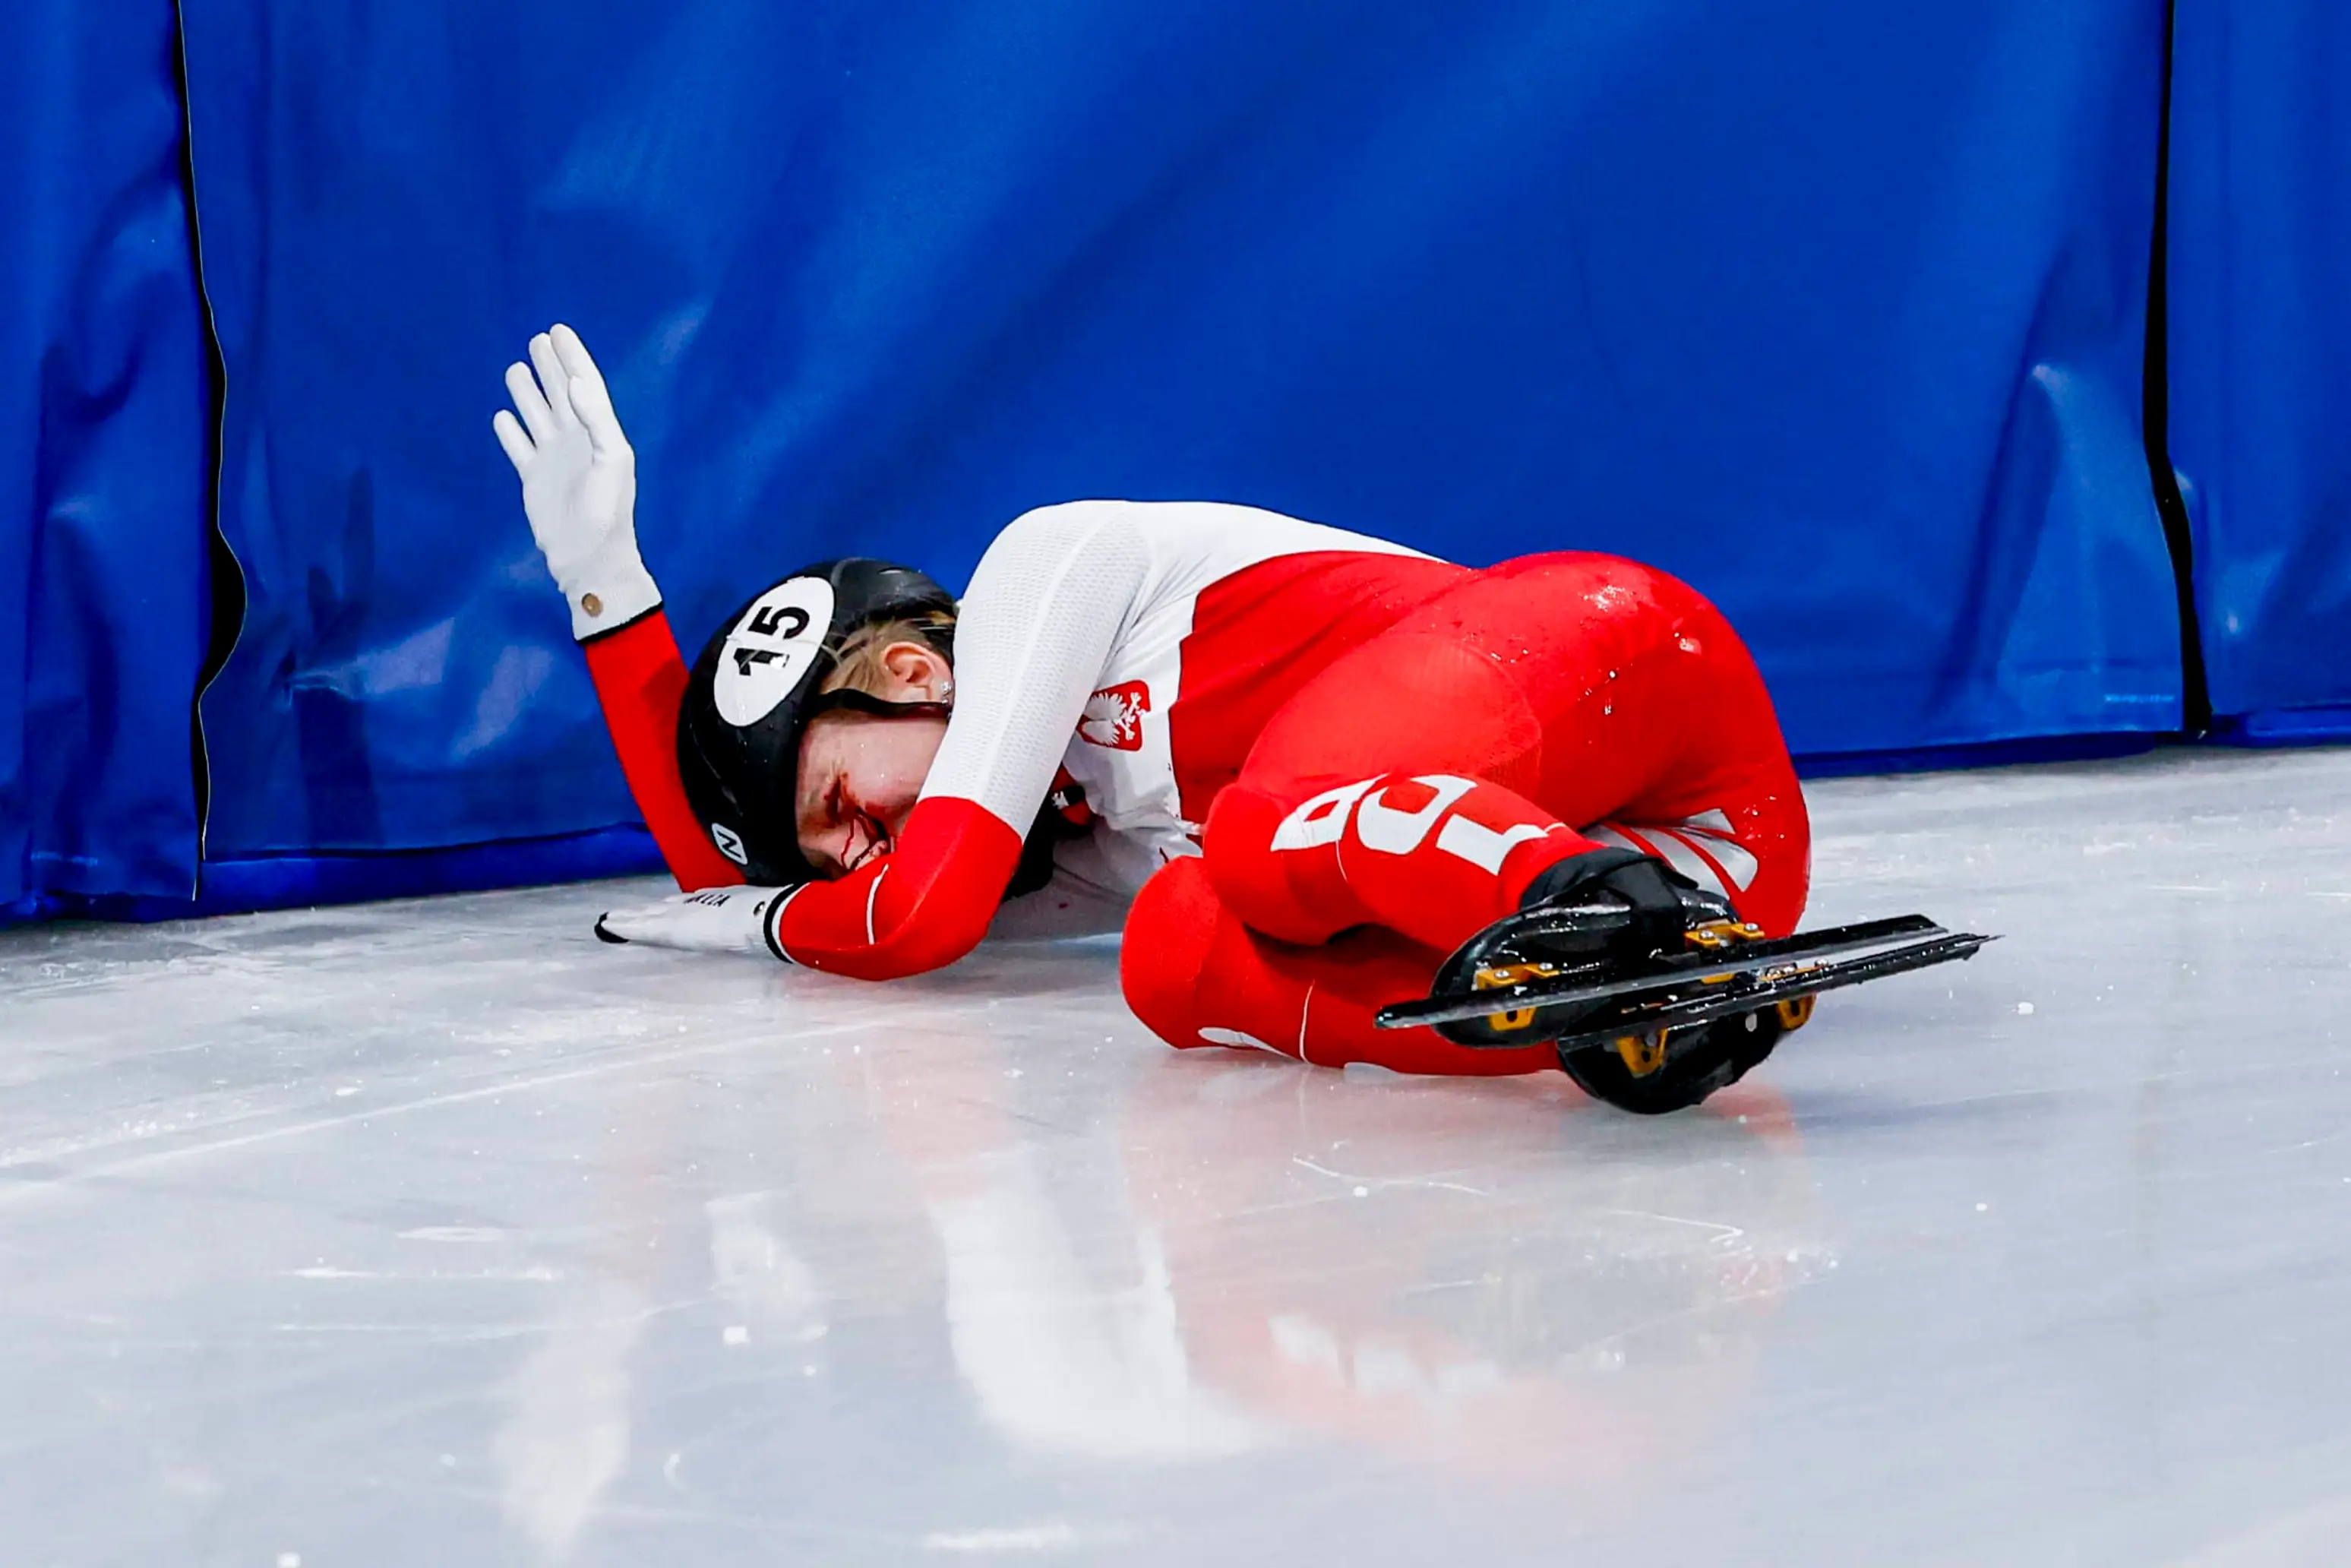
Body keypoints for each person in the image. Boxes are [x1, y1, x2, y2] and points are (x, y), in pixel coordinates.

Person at [494, 324, 1812, 1108]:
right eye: (827, 855)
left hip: (1627, 657)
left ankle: (1589, 912)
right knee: (1174, 952)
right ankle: (1616, 1010)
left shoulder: (1041, 568)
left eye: (839, 808)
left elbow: (909, 919)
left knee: (1250, 839)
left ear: (905, 674)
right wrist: (604, 590)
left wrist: (769, 924)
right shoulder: (1075, 852)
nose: (850, 860)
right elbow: (736, 881)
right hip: (1729, 872)